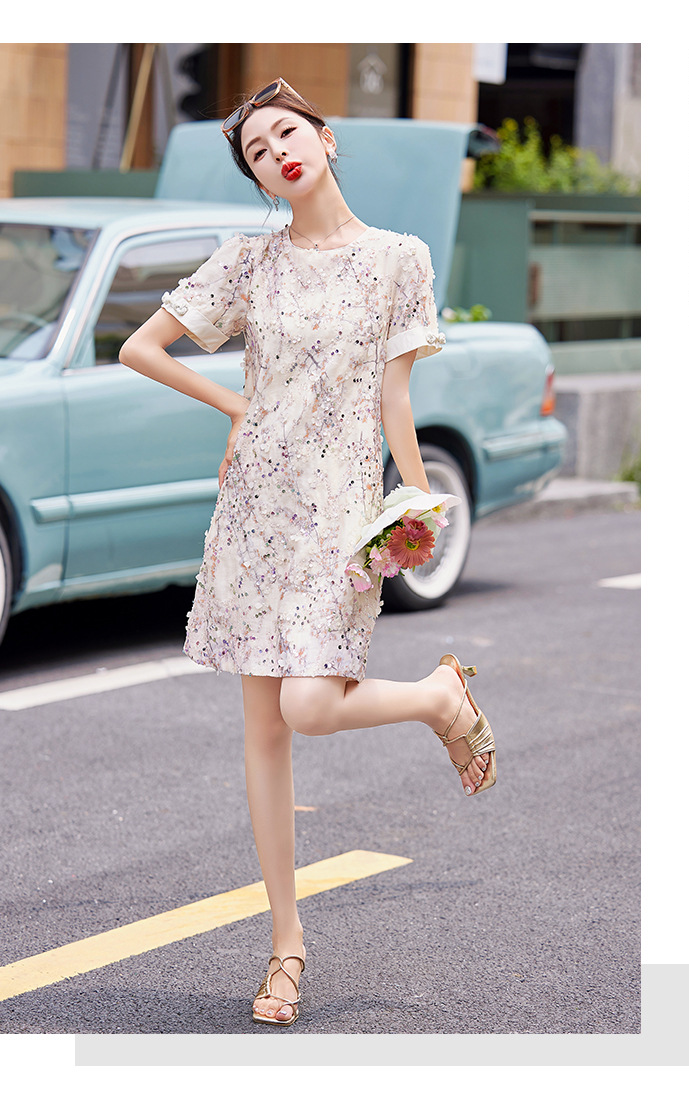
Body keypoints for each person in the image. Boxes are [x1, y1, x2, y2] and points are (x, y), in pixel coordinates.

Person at [119, 77, 495, 1028]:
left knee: (310, 705)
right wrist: (238, 408)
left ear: (324, 137)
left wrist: (413, 498)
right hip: (256, 513)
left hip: (339, 513)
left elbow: (395, 397)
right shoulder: (251, 261)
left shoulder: (398, 259)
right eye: (258, 152)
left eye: (286, 133)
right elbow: (141, 348)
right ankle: (285, 945)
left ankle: (438, 697)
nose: (277, 153)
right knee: (264, 735)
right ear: (258, 178)